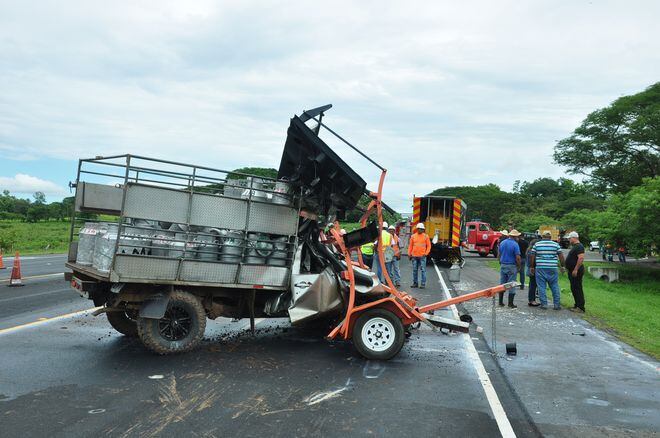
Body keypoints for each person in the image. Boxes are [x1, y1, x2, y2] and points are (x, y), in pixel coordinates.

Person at [530, 231, 566, 310]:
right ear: (550, 237)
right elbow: (561, 256)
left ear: (542, 237)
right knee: (554, 286)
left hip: (540, 267)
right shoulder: (556, 245)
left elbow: (532, 256)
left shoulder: (537, 244)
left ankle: (544, 304)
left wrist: (532, 267)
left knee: (541, 287)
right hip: (552, 268)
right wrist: (562, 266)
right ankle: (557, 305)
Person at [498, 229, 521, 308]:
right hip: (511, 265)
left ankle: (500, 302)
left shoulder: (502, 242)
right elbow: (517, 257)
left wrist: (500, 262)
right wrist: (519, 266)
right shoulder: (515, 244)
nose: (518, 238)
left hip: (503, 265)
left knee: (502, 284)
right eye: (517, 237)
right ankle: (510, 303)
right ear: (514, 237)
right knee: (511, 284)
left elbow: (499, 254)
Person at [565, 231, 585, 313]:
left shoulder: (579, 246)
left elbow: (580, 258)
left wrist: (576, 269)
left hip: (576, 270)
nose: (569, 240)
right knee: (573, 287)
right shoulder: (575, 246)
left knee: (577, 288)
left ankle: (580, 307)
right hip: (572, 270)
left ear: (574, 238)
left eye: (570, 238)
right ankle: (577, 304)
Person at [408, 223, 431, 288]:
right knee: (414, 270)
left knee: (423, 270)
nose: (421, 230)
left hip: (422, 256)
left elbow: (429, 246)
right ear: (417, 229)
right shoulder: (413, 236)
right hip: (414, 256)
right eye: (420, 229)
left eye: (422, 229)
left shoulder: (426, 236)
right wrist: (409, 254)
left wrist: (426, 253)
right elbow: (410, 246)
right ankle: (415, 283)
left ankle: (423, 284)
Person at [526, 238, 540, 306]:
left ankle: (531, 299)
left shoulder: (528, 250)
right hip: (533, 269)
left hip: (529, 268)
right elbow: (533, 261)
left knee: (532, 284)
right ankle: (532, 300)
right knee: (533, 285)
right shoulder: (533, 252)